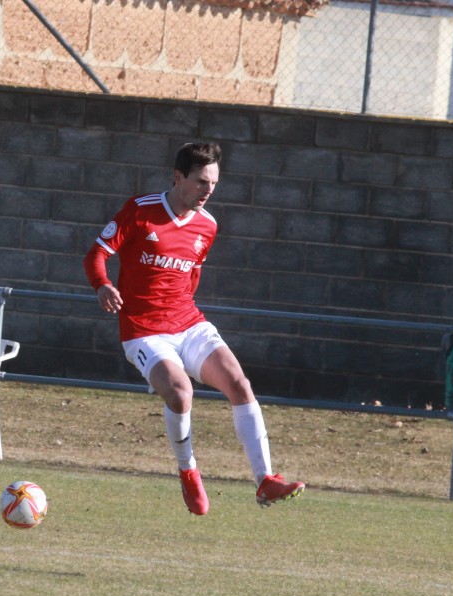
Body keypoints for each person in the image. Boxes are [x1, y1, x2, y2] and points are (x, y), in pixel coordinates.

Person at [83, 141, 304, 515]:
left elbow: (192, 274)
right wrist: (103, 284)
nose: (208, 190)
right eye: (201, 181)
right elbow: (97, 254)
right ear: (178, 177)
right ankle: (188, 471)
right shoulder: (140, 211)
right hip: (143, 331)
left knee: (239, 383)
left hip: (188, 323)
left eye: (214, 183)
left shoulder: (207, 225)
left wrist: (185, 315)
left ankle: (265, 480)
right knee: (181, 393)